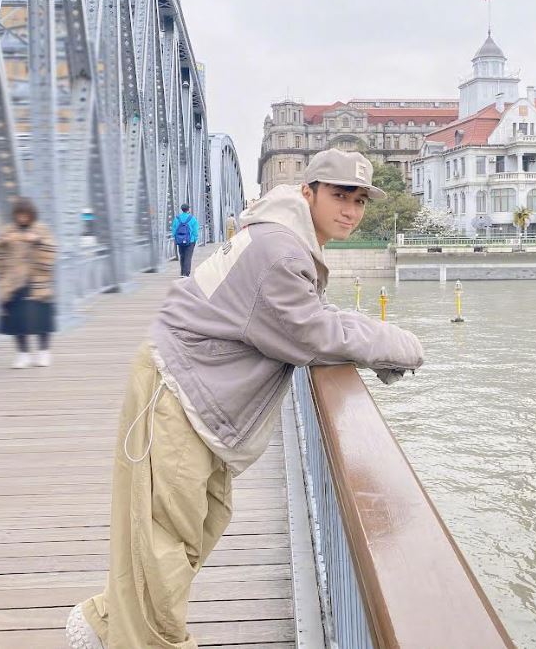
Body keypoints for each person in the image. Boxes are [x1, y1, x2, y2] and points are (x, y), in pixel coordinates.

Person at [66, 149, 424, 649]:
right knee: (165, 541)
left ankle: (105, 621)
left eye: (360, 200)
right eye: (340, 195)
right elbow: (312, 334)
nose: (351, 210)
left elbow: (307, 323)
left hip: (196, 395)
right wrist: (398, 345)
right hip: (177, 392)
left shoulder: (283, 241)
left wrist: (372, 339)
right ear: (308, 192)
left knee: (196, 527)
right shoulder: (280, 251)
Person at [0, 198, 57, 369]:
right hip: (14, 283)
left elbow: (52, 251)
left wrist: (37, 241)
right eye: (19, 215)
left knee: (41, 319)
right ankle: (23, 354)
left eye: (25, 215)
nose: (22, 218)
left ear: (31, 214)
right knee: (17, 321)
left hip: (38, 281)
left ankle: (44, 352)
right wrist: (3, 243)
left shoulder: (41, 229)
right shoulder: (7, 230)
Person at [171, 203, 199, 277]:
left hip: (180, 240)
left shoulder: (177, 218)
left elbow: (174, 229)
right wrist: (195, 238)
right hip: (190, 240)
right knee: (188, 256)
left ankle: (182, 272)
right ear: (188, 209)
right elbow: (195, 231)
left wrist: (176, 237)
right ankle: (186, 273)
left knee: (182, 256)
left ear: (182, 209)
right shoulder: (192, 218)